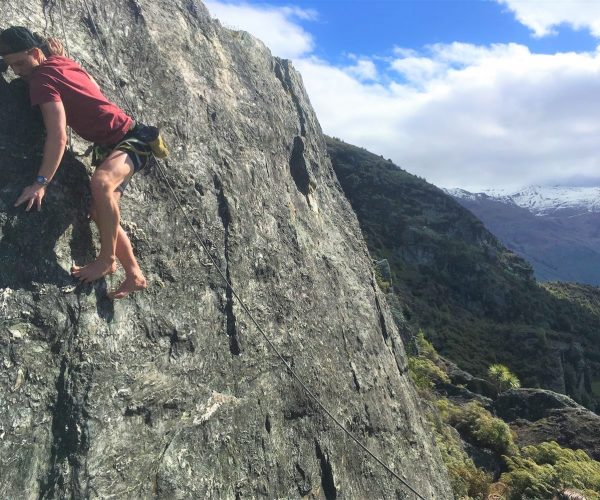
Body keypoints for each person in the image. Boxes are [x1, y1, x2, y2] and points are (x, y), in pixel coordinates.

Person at [0, 26, 166, 299]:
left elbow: (58, 134)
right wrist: (57, 57)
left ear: (35, 52)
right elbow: (93, 86)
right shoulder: (58, 62)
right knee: (102, 209)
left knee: (101, 184)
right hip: (114, 144)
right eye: (11, 66)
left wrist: (41, 182)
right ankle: (134, 273)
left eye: (19, 63)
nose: (17, 71)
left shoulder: (41, 81)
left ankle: (107, 260)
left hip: (131, 139)